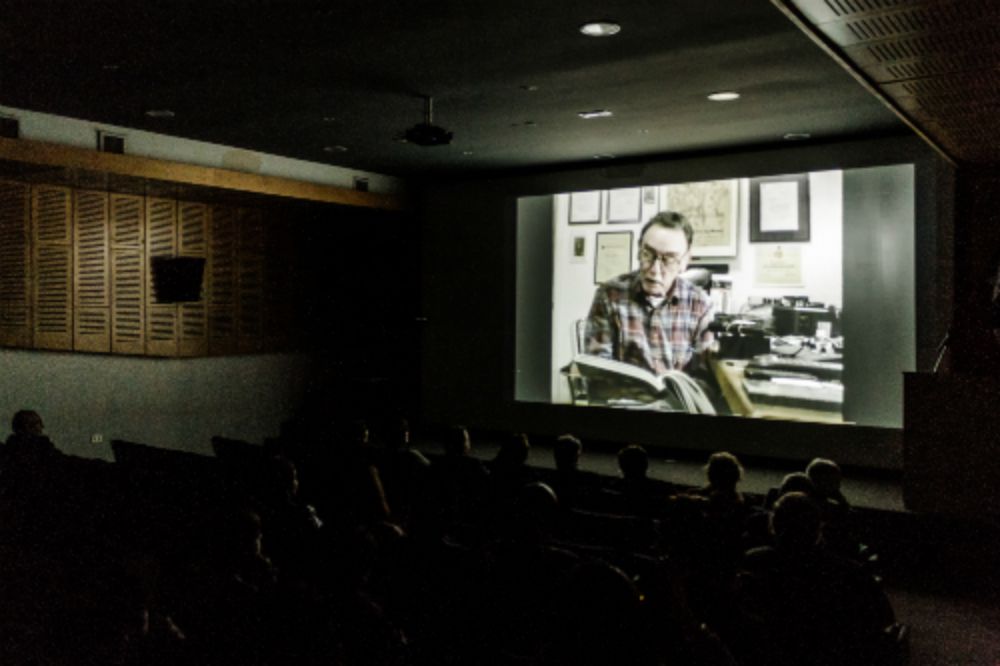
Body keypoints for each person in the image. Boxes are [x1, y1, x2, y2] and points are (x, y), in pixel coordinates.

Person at [584, 210, 715, 375]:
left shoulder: (701, 305)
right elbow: (597, 371)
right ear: (639, 249)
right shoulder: (609, 296)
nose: (654, 270)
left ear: (685, 261)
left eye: (668, 259)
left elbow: (704, 377)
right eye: (647, 254)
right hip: (624, 399)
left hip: (675, 400)